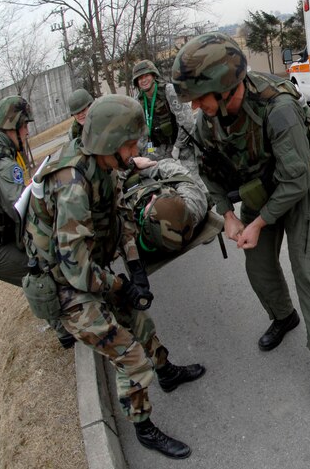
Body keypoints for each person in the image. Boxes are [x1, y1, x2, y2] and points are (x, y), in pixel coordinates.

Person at [23, 95, 205, 459]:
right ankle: (144, 428)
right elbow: (75, 269)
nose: (136, 148)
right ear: (109, 142)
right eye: (130, 142)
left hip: (87, 271)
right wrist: (118, 285)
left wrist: (135, 269)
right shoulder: (71, 184)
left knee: (139, 320)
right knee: (130, 356)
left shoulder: (104, 166)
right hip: (66, 290)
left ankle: (166, 372)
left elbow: (120, 217)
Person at [171, 32, 310, 403]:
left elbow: (294, 181)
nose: (196, 106)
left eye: (200, 97)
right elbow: (210, 173)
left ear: (225, 87)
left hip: (301, 178)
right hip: (259, 181)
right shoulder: (208, 122)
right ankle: (284, 316)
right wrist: (228, 216)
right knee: (257, 261)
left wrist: (259, 221)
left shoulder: (278, 110)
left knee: (308, 264)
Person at [0, 95, 74, 349]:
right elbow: (22, 212)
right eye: (25, 126)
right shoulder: (2, 164)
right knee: (40, 270)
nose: (28, 131)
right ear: (15, 126)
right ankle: (64, 330)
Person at [119, 157, 211, 260]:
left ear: (147, 223)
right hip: (149, 177)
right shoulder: (193, 208)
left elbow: (108, 189)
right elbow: (180, 175)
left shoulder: (127, 230)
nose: (154, 197)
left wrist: (131, 165)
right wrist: (150, 169)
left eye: (153, 205)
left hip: (126, 186)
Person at [131, 60, 198, 172]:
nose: (143, 80)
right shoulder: (138, 102)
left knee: (191, 180)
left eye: (146, 75)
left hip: (181, 145)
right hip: (156, 149)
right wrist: (146, 153)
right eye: (140, 78)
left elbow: (187, 121)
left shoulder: (169, 91)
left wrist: (178, 146)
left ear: (153, 75)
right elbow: (140, 133)